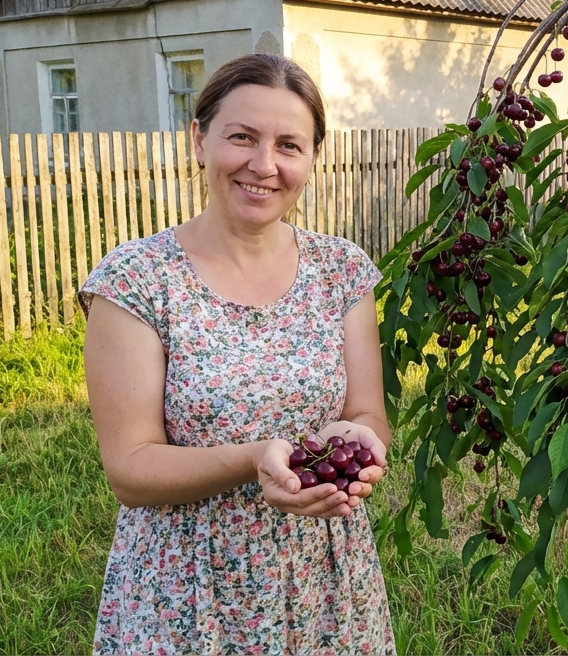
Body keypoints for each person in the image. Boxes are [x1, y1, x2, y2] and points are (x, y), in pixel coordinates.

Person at [78, 53, 395, 655]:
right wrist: (254, 460)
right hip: (187, 586)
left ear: (313, 158)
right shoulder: (138, 280)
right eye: (242, 137)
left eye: (289, 145)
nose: (264, 165)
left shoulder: (341, 270)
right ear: (199, 140)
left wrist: (360, 444)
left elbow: (367, 412)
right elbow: (130, 470)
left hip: (324, 577)